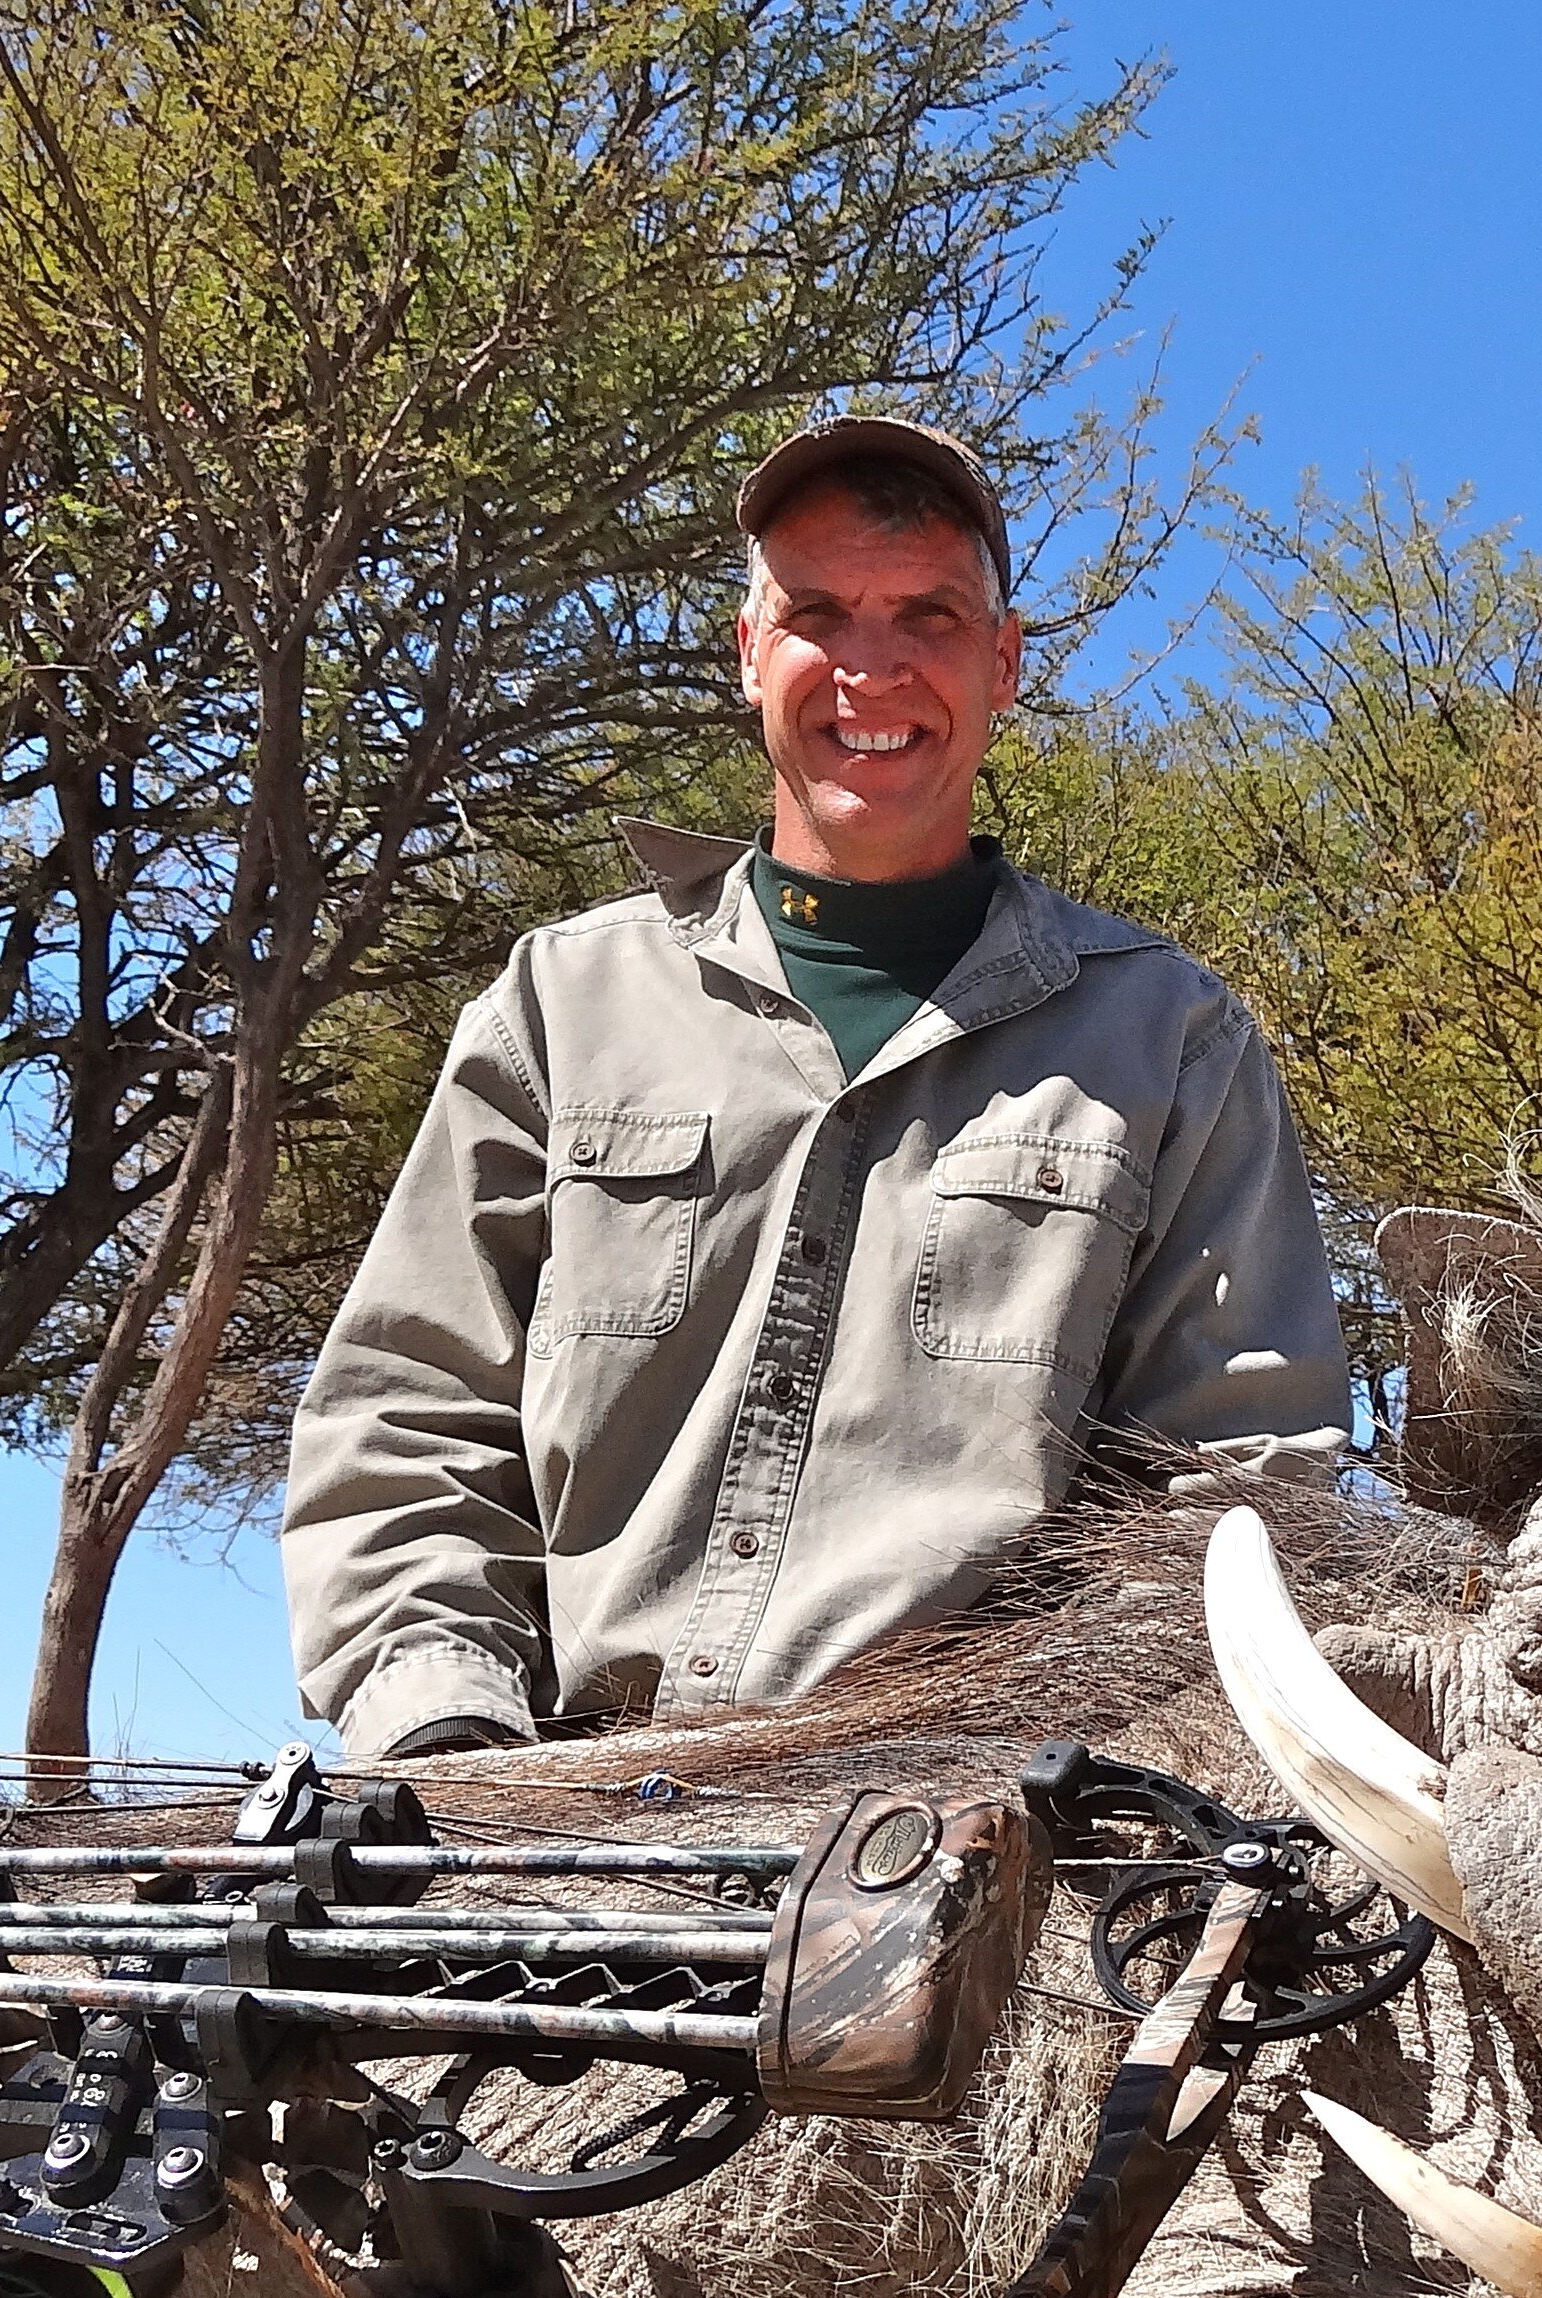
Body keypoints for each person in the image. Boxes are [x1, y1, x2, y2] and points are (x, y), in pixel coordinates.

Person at [281, 416, 1350, 1757]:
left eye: (929, 613)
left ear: (1003, 661)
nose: (871, 665)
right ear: (748, 655)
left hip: (978, 1830)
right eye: (819, 612)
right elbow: (407, 1414)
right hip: (545, 1812)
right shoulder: (558, 1002)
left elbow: (1230, 1483)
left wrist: (1047, 1773)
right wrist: (446, 1741)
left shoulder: (1173, 1037)